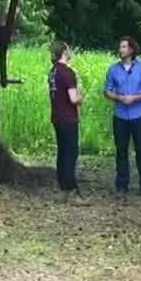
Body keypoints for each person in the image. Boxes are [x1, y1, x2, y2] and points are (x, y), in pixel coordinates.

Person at [103, 36, 141, 197]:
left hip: (139, 115)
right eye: (120, 47)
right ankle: (121, 186)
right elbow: (107, 91)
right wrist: (119, 98)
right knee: (121, 151)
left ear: (131, 50)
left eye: (123, 47)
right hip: (120, 116)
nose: (120, 50)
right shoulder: (113, 69)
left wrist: (135, 98)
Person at [48, 41, 82, 196]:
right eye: (68, 48)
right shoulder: (67, 72)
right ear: (64, 52)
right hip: (68, 117)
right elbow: (73, 98)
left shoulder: (53, 71)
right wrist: (81, 97)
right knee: (71, 152)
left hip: (56, 116)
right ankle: (71, 188)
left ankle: (62, 185)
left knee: (62, 151)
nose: (70, 51)